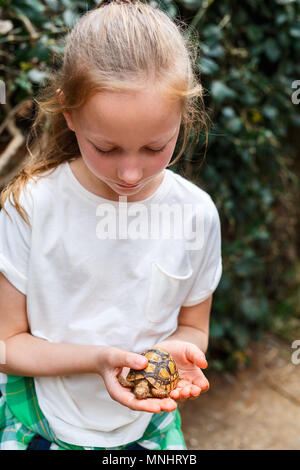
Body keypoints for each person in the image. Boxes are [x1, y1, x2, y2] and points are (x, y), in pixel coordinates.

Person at [0, 0, 222, 450]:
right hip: (41, 427)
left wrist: (171, 351)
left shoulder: (196, 213)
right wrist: (97, 360)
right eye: (106, 148)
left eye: (155, 146)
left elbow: (194, 327)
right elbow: (7, 346)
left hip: (150, 431)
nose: (130, 174)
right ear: (69, 112)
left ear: (183, 117)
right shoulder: (28, 207)